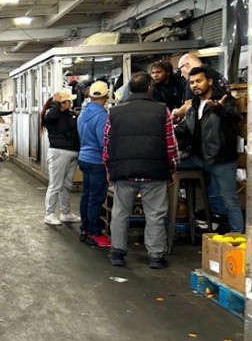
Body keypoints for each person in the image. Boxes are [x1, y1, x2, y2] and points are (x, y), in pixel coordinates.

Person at [103, 72, 179, 269]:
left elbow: (107, 145)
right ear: (149, 88)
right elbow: (171, 146)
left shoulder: (115, 112)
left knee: (120, 213)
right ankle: (155, 256)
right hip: (154, 172)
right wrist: (171, 169)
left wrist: (109, 170)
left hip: (124, 172)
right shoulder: (163, 111)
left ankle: (118, 253)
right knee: (155, 215)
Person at [174, 66, 244, 233]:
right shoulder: (194, 105)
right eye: (192, 83)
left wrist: (219, 109)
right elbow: (186, 129)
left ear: (209, 81)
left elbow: (235, 117)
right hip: (199, 158)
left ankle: (237, 239)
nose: (195, 85)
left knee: (229, 200)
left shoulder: (224, 100)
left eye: (199, 81)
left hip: (221, 159)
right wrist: (167, 130)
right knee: (171, 168)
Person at [76, 81, 110, 245]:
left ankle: (85, 228)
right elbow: (103, 141)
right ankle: (95, 232)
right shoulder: (101, 115)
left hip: (83, 158)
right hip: (96, 161)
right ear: (107, 96)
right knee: (96, 198)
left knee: (87, 195)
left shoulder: (83, 112)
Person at [41, 90, 81, 226]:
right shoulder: (52, 114)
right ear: (61, 103)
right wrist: (56, 105)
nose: (70, 103)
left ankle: (65, 213)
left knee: (66, 185)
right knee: (55, 185)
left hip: (72, 152)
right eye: (67, 101)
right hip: (59, 152)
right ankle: (49, 214)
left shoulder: (70, 115)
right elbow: (49, 117)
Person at [172, 52, 230, 120]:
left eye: (180, 70)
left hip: (210, 121)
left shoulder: (193, 79)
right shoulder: (216, 74)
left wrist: (175, 112)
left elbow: (189, 107)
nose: (181, 74)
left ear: (187, 65)